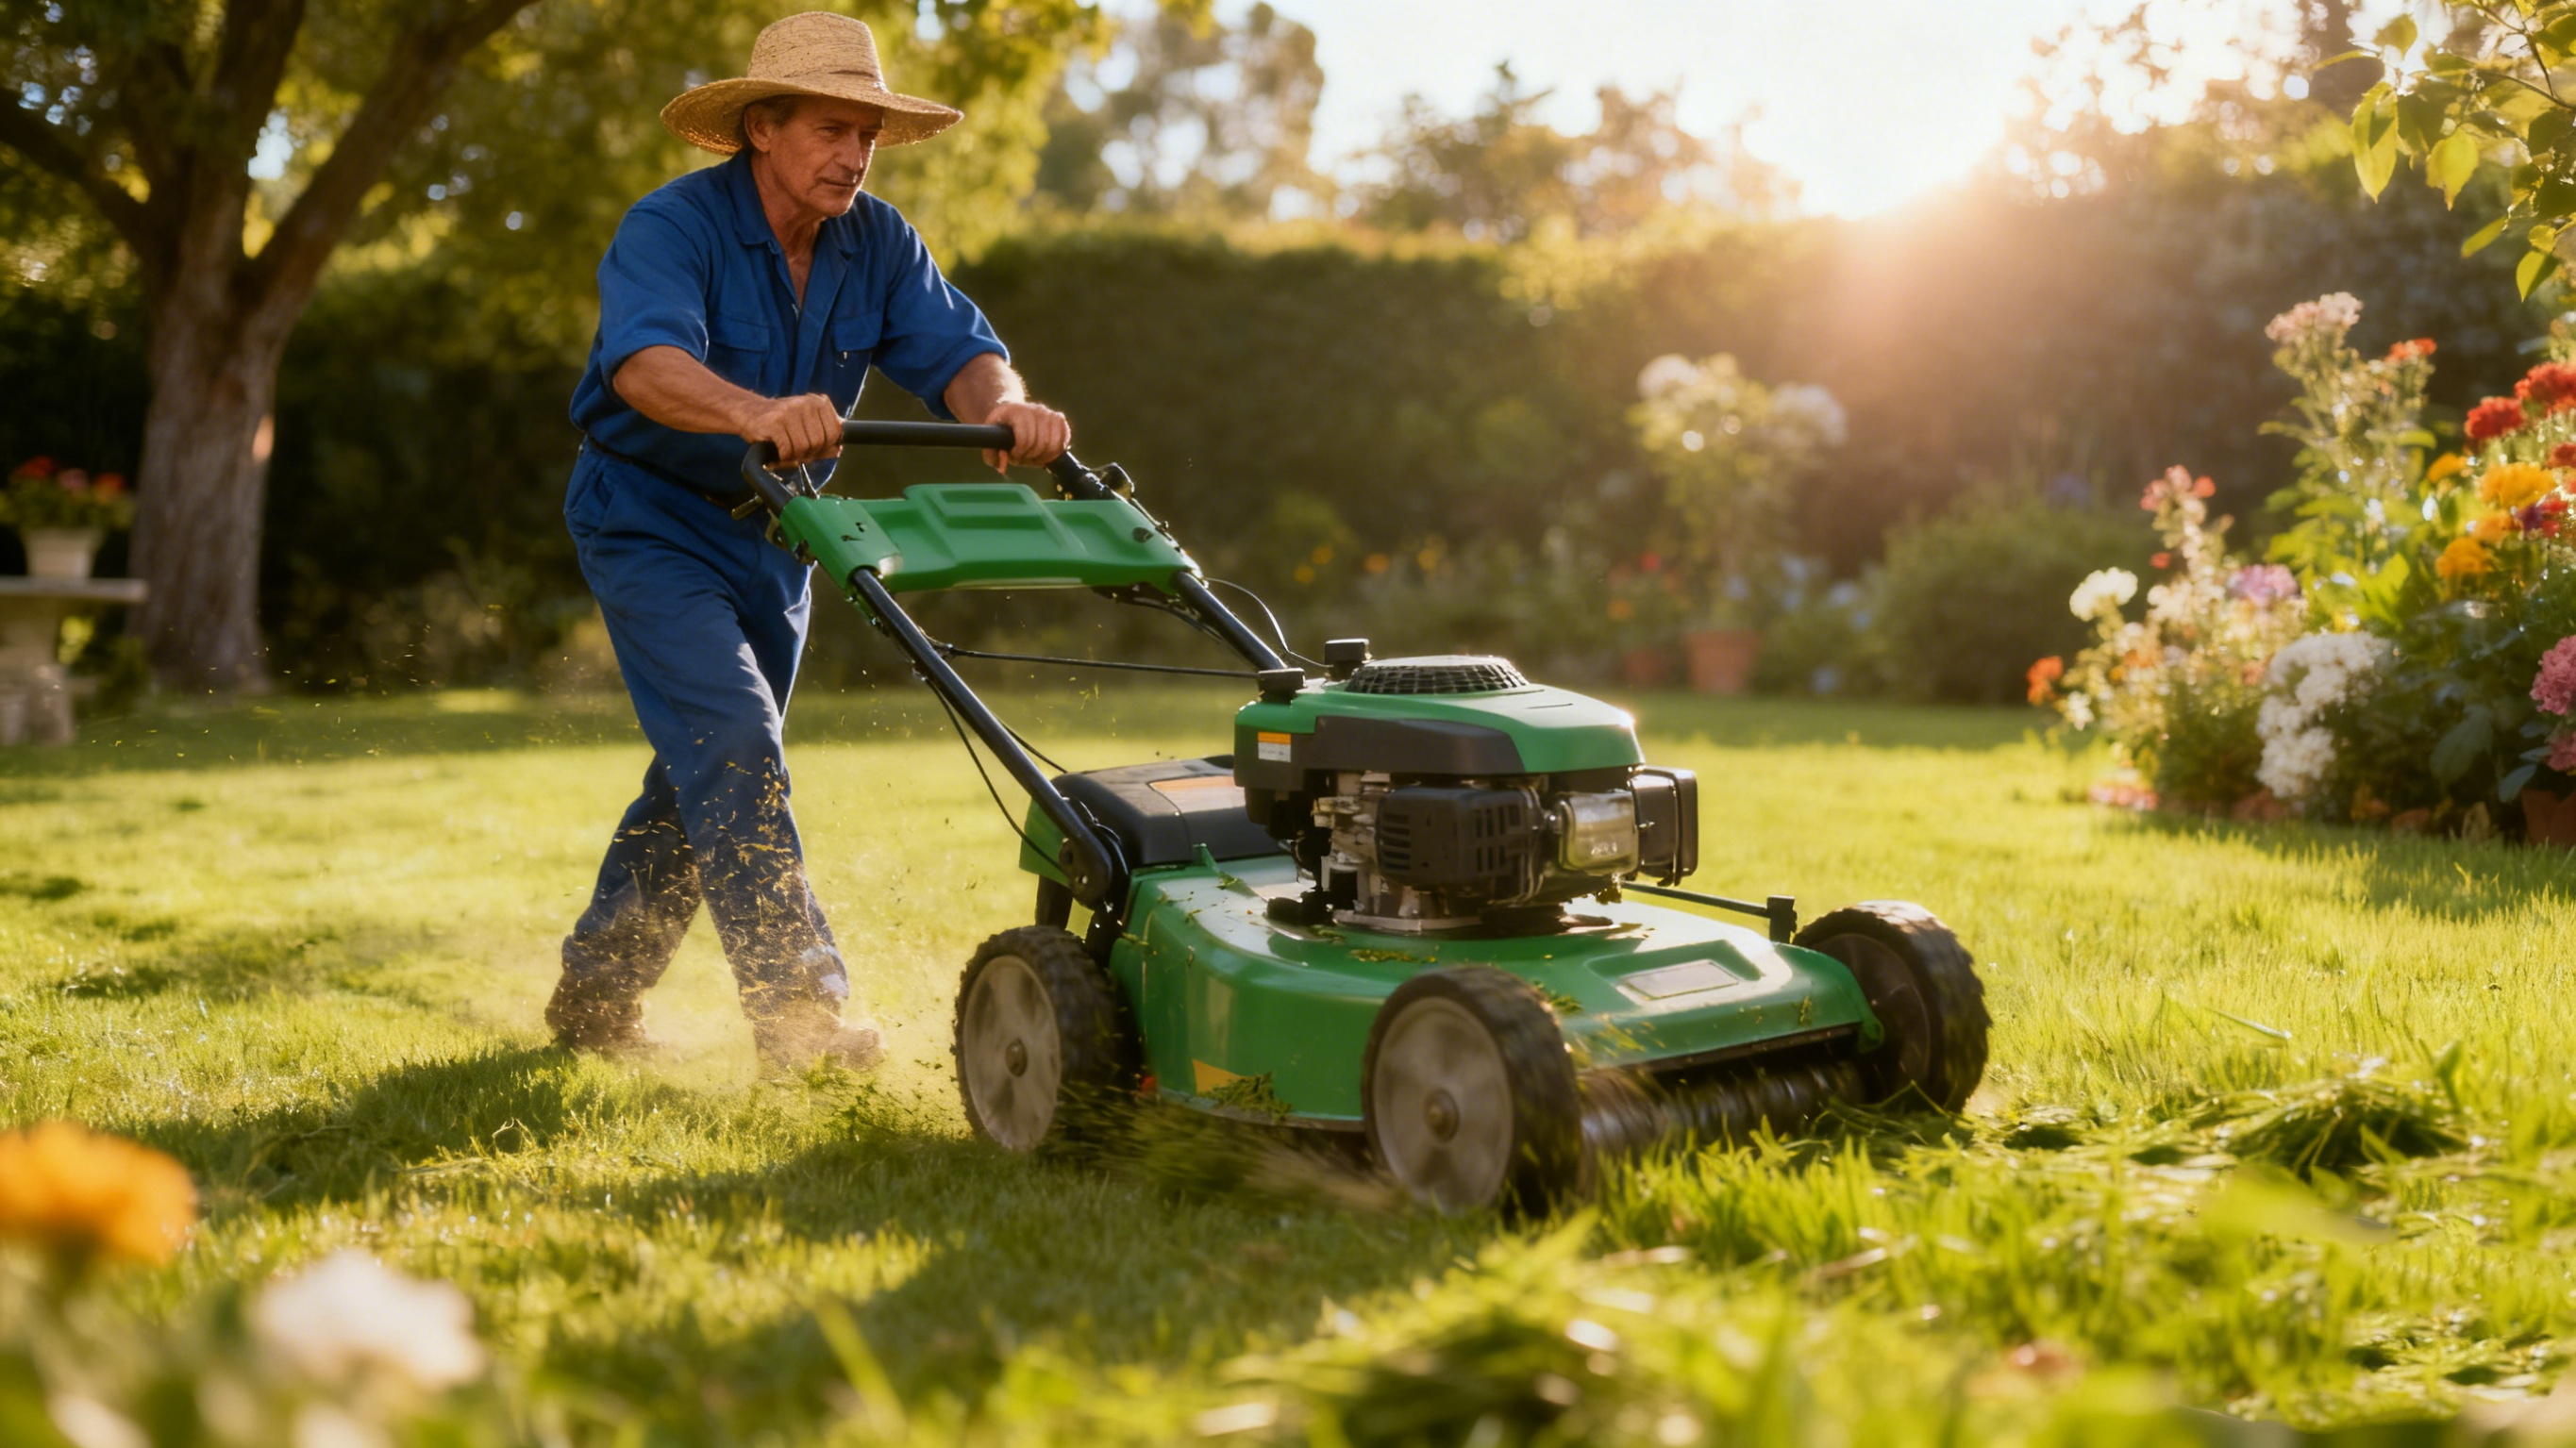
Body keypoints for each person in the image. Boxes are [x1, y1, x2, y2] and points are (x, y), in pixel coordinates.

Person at [544, 11, 1071, 1070]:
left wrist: (1010, 406)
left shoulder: (878, 241)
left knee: (711, 764)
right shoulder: (671, 226)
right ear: (763, 130)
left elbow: (962, 351)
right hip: (648, 514)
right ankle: (804, 1016)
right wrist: (754, 411)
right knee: (736, 742)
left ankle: (597, 993)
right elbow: (642, 366)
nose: (854, 156)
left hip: (781, 532)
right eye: (833, 130)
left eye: (867, 135)